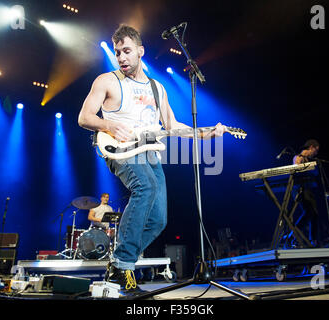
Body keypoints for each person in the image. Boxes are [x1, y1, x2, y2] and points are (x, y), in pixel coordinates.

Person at [78, 24, 228, 293]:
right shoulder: (106, 80)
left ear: (140, 51)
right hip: (119, 148)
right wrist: (109, 125)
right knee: (145, 187)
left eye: (126, 51)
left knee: (159, 219)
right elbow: (84, 117)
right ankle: (124, 264)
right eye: (117, 52)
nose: (121, 57)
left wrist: (206, 133)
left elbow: (172, 125)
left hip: (149, 152)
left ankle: (120, 263)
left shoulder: (158, 88)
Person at [292, 139, 320, 246]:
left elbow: (316, 173)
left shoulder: (310, 160)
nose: (316, 153)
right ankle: (294, 233)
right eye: (316, 151)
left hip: (309, 189)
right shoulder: (298, 157)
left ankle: (312, 239)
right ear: (311, 147)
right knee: (309, 212)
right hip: (300, 189)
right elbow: (297, 169)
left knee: (314, 214)